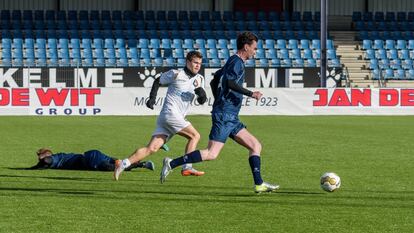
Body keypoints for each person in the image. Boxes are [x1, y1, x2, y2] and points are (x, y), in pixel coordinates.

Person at [160, 32, 279, 193]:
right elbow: (229, 82)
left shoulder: (234, 61)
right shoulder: (236, 62)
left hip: (230, 116)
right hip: (225, 115)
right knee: (211, 153)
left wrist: (218, 100)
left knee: (255, 145)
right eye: (254, 48)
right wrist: (251, 94)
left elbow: (214, 79)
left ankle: (259, 184)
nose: (255, 51)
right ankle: (172, 163)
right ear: (246, 47)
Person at [113, 51, 208, 180]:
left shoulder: (199, 79)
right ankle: (187, 166)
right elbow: (158, 80)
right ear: (187, 62)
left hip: (169, 118)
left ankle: (123, 164)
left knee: (151, 148)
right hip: (171, 114)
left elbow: (201, 100)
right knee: (195, 136)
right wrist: (152, 98)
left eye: (200, 64)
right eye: (195, 62)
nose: (198, 66)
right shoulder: (176, 74)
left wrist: (201, 94)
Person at [29, 148, 155, 171]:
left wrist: (33, 167)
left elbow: (46, 161)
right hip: (91, 156)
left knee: (112, 167)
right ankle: (151, 150)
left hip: (89, 159)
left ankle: (142, 164)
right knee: (117, 162)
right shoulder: (59, 158)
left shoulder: (56, 159)